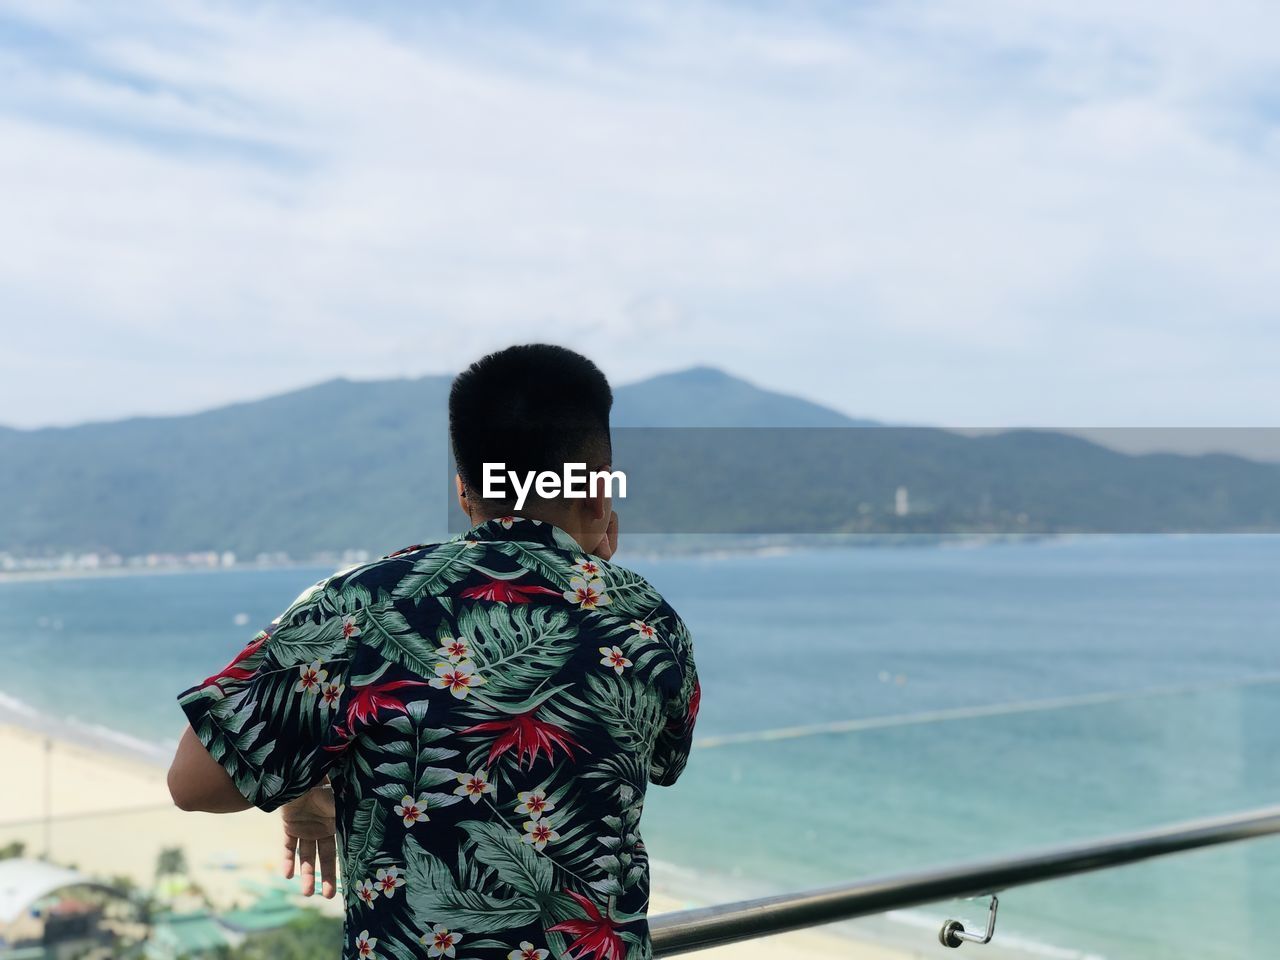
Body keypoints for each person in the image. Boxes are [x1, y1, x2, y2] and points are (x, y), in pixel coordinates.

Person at [167, 344, 700, 960]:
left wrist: (306, 791)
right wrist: (592, 576)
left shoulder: (363, 605)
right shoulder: (650, 620)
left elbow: (194, 781)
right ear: (600, 488)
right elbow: (658, 757)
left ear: (466, 491)